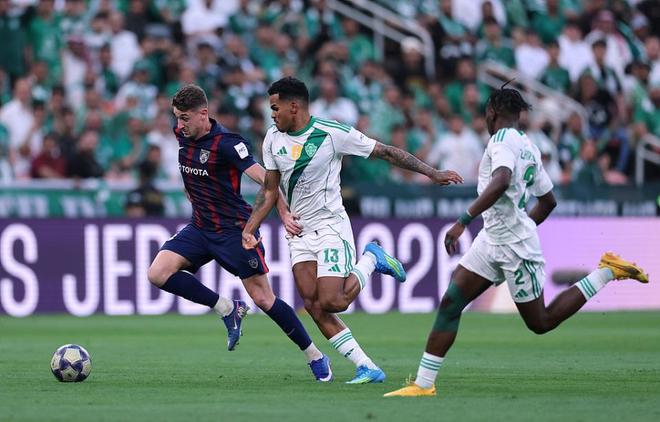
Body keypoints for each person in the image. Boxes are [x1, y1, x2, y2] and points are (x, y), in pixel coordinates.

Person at [384, 83, 649, 397]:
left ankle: (606, 271)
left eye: (486, 113)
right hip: (493, 239)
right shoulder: (528, 146)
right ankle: (423, 384)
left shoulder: (500, 140)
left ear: (493, 112)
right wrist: (521, 226)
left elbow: (501, 181)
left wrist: (463, 221)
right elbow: (548, 201)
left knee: (540, 322)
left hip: (514, 246)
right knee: (451, 302)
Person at [241, 77, 462, 384]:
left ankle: (372, 259)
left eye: (275, 108)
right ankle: (366, 366)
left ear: (294, 107)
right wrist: (250, 229)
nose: (272, 114)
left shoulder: (332, 133)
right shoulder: (272, 139)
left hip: (330, 226)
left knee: (334, 301)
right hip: (299, 232)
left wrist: (431, 172)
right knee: (313, 304)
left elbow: (385, 152)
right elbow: (269, 190)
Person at [146, 84, 330, 381]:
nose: (179, 124)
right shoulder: (182, 134)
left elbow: (267, 180)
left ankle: (315, 355)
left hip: (234, 231)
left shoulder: (228, 144)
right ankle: (227, 308)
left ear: (203, 113)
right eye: (177, 118)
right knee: (157, 273)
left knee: (264, 299)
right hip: (200, 227)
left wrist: (284, 213)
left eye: (184, 118)